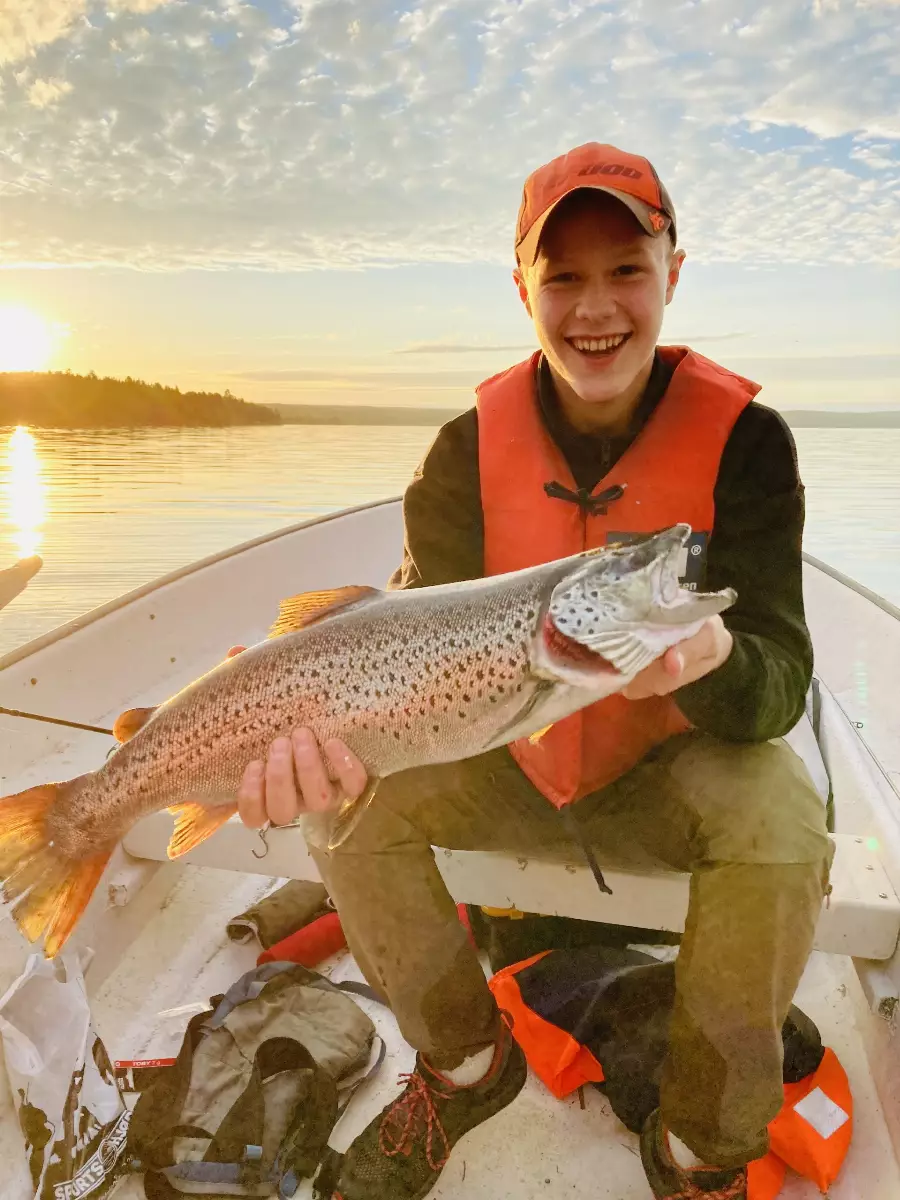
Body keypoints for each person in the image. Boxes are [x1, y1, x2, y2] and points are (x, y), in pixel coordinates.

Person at [234, 143, 833, 1200]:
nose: (595, 307)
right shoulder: (460, 455)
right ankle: (464, 1066)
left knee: (784, 814)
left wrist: (712, 661)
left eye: (626, 270)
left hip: (668, 773)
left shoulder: (750, 446)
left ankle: (701, 1149)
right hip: (504, 759)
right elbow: (404, 643)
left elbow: (782, 682)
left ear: (673, 273)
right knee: (345, 800)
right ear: (523, 289)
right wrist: (302, 725)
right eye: (563, 277)